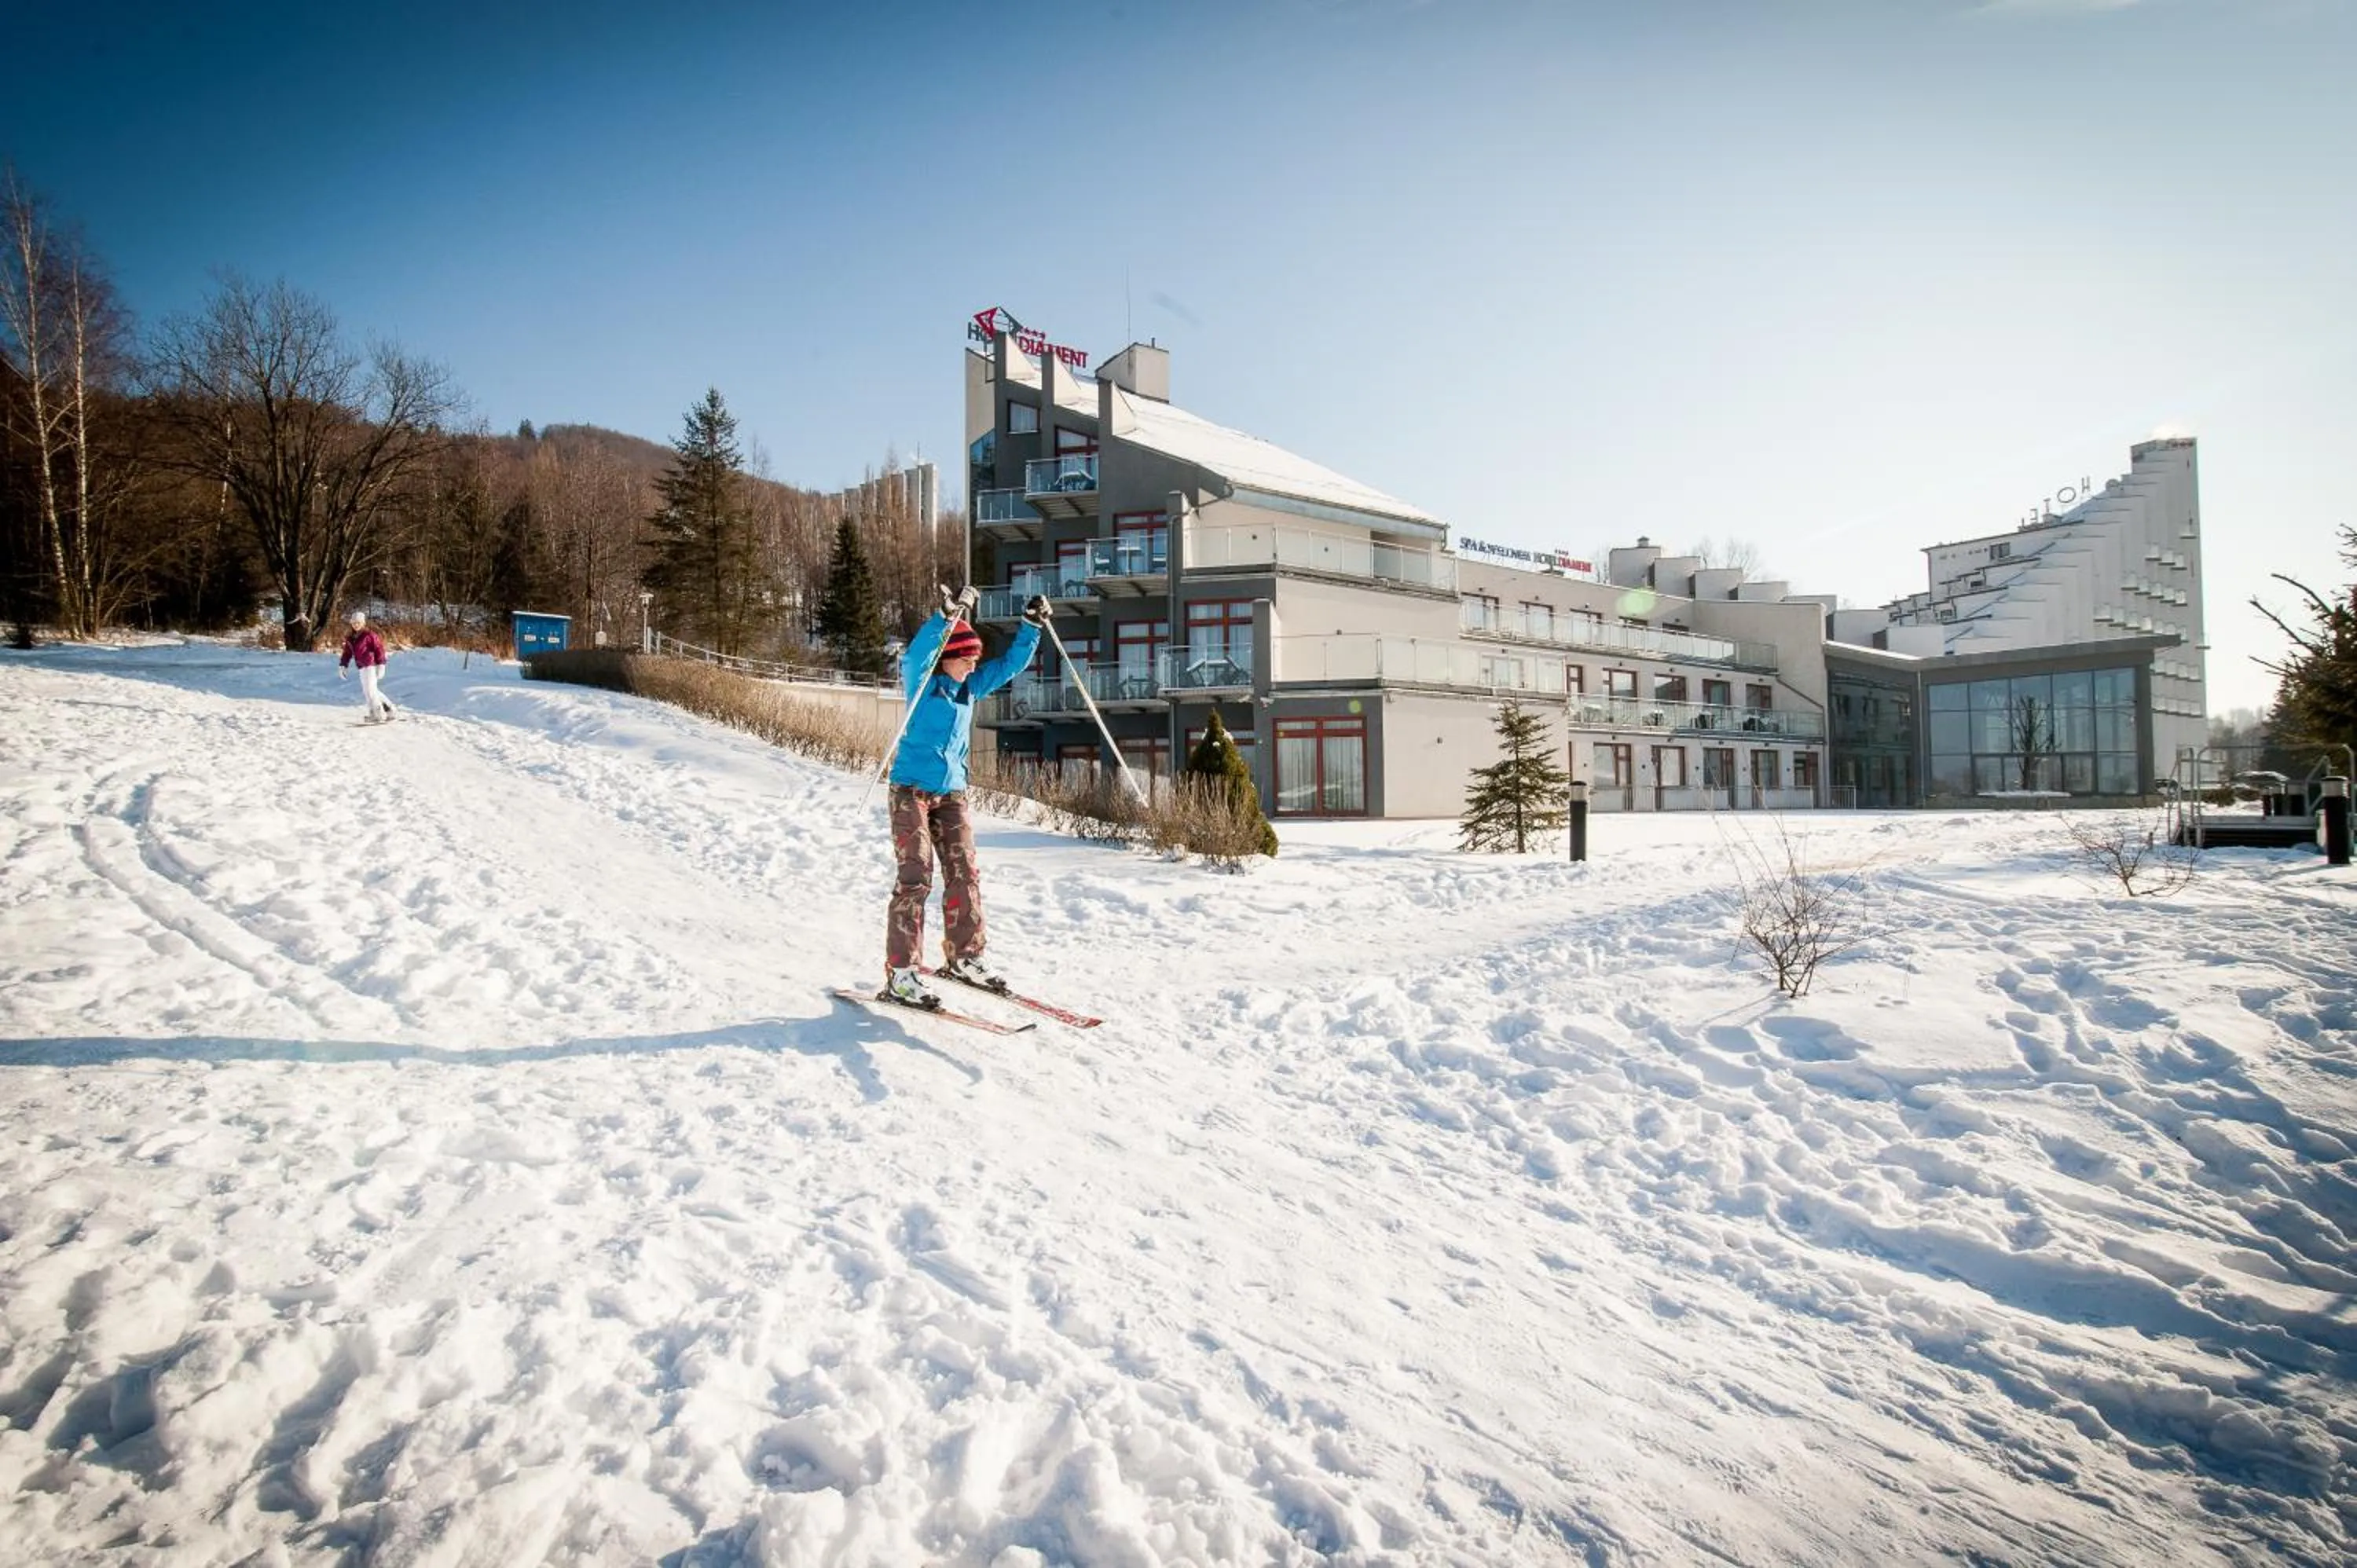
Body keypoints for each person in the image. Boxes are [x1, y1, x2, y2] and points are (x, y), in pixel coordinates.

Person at [881, 585, 1050, 1008]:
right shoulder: (923, 683)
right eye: (967, 658)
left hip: (952, 793)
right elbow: (915, 656)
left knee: (965, 873)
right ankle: (902, 973)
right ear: (949, 658)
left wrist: (1031, 627)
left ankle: (966, 957)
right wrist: (945, 617)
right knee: (916, 875)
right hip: (910, 791)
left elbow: (1010, 665)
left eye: (975, 659)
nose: (974, 665)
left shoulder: (969, 689)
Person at [338, 610, 398, 724]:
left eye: (358, 623)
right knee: (369, 691)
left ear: (363, 623)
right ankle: (389, 710)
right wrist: (343, 665)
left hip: (371, 665)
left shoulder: (369, 635)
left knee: (371, 691)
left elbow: (379, 649)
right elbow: (347, 653)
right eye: (354, 623)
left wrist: (381, 664)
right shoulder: (351, 638)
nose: (356, 625)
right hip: (362, 667)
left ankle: (378, 713)